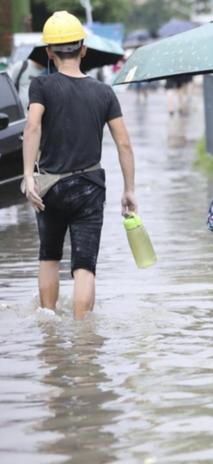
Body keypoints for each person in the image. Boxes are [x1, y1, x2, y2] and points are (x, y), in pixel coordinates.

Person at [22, 11, 138, 320]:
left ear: (49, 52)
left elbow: (32, 128)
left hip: (50, 187)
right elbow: (124, 143)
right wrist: (129, 189)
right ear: (83, 49)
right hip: (89, 187)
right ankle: (84, 335)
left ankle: (47, 325)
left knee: (49, 255)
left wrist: (27, 176)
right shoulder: (104, 92)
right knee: (84, 264)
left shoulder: (41, 86)